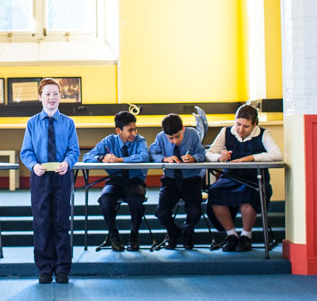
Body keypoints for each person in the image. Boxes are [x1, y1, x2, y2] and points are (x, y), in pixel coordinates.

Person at [20, 78, 80, 284]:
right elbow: (26, 151)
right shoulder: (32, 123)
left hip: (62, 178)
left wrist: (68, 162)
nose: (51, 98)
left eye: (55, 93)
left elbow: (74, 150)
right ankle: (44, 268)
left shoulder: (69, 123)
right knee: (42, 223)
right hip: (40, 177)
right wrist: (33, 165)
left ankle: (63, 268)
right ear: (40, 97)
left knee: (62, 222)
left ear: (60, 97)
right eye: (47, 94)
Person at [206, 104, 282, 252]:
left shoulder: (264, 134)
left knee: (250, 194)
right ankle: (231, 234)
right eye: (238, 124)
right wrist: (219, 157)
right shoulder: (226, 132)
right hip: (230, 176)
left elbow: (277, 154)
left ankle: (246, 236)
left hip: (255, 178)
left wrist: (251, 158)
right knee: (215, 192)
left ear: (254, 124)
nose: (240, 129)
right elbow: (209, 153)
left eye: (246, 126)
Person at [82, 111, 150, 252]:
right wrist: (101, 159)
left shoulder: (140, 140)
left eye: (135, 129)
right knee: (105, 200)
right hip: (115, 181)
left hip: (135, 181)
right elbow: (87, 157)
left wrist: (119, 160)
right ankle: (114, 235)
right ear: (119, 131)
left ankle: (134, 235)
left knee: (136, 200)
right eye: (130, 130)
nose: (134, 133)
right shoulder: (108, 141)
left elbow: (144, 157)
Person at [150, 114, 206, 250]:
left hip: (191, 180)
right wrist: (164, 159)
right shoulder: (160, 137)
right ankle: (173, 232)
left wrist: (194, 158)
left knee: (194, 211)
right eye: (170, 138)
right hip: (170, 181)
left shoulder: (193, 134)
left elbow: (202, 153)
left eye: (177, 137)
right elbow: (152, 153)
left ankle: (188, 230)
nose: (174, 141)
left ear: (183, 128)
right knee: (162, 212)